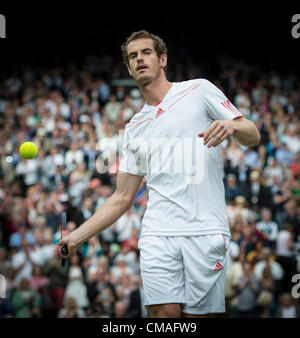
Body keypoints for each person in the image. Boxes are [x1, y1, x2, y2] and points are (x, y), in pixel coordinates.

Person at [58, 30, 260, 318]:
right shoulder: (135, 127)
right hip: (157, 232)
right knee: (162, 318)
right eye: (132, 56)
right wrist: (76, 237)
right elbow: (122, 197)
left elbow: (252, 135)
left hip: (204, 230)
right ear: (128, 68)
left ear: (162, 59)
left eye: (146, 52)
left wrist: (233, 126)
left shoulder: (199, 90)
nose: (139, 59)